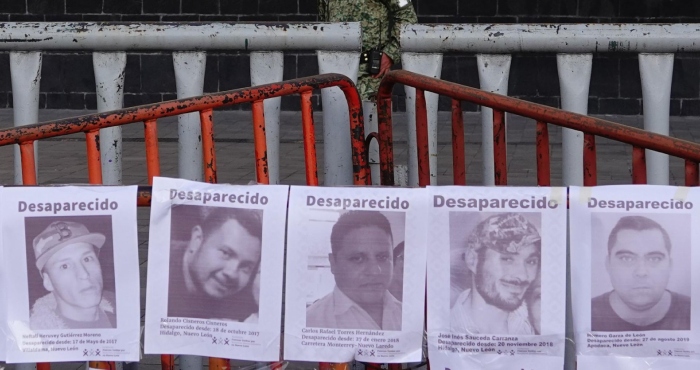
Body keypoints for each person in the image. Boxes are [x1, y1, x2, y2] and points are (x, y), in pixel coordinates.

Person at [591, 215, 690, 331]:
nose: (641, 272)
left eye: (654, 259)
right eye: (626, 258)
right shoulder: (585, 314)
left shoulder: (694, 312)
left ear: (670, 265)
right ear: (608, 264)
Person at [307, 210, 402, 330]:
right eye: (358, 259)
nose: (374, 271)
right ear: (333, 263)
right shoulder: (311, 321)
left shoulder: (408, 316)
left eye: (382, 257)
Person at [451, 213, 541, 335]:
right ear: (472, 260)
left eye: (531, 262)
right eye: (507, 259)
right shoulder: (444, 330)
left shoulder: (537, 322)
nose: (523, 276)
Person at [168, 207, 262, 321]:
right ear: (197, 240)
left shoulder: (247, 298)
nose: (232, 273)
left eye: (245, 267)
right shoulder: (157, 271)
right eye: (226, 253)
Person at [317, 0, 417, 101]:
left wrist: (391, 53)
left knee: (370, 115)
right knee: (335, 114)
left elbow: (407, 15)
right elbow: (324, 23)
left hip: (370, 74)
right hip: (335, 71)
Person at [29, 221, 116, 330]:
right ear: (48, 282)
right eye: (65, 266)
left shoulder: (123, 310)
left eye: (87, 259)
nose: (84, 274)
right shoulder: (31, 336)